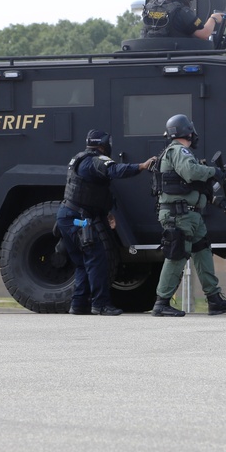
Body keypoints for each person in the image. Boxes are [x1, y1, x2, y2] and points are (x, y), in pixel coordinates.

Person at [56, 129, 156, 316]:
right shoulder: (96, 160)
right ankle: (100, 304)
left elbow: (90, 193)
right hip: (78, 221)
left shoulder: (81, 158)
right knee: (97, 258)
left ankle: (78, 305)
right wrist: (141, 166)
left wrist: (107, 212)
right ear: (103, 144)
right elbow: (115, 170)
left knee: (82, 263)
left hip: (69, 217)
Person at [151, 114, 226, 317]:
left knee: (203, 252)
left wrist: (216, 200)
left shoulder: (176, 152)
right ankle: (161, 302)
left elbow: (188, 187)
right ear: (187, 132)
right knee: (177, 255)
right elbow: (191, 172)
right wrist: (213, 172)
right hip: (180, 216)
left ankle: (214, 299)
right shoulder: (178, 150)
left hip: (190, 215)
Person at [141, 0, 224, 40]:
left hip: (149, 55)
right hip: (177, 56)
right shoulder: (183, 12)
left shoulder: (150, 6)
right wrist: (213, 18)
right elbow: (204, 34)